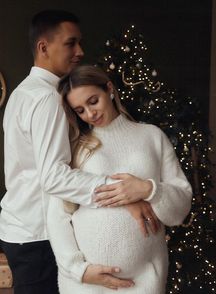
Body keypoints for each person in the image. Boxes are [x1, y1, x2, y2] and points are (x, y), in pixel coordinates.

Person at [0, 10, 156, 294]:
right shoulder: (47, 99)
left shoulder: (23, 92)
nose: (80, 51)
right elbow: (54, 178)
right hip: (37, 235)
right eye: (71, 43)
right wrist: (120, 193)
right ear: (43, 47)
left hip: (22, 230)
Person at [47, 65, 192, 294]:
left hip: (145, 282)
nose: (90, 114)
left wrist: (148, 189)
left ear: (109, 89)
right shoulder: (77, 148)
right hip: (87, 286)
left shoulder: (152, 136)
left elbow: (181, 206)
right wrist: (78, 270)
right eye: (80, 110)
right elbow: (57, 215)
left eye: (93, 101)